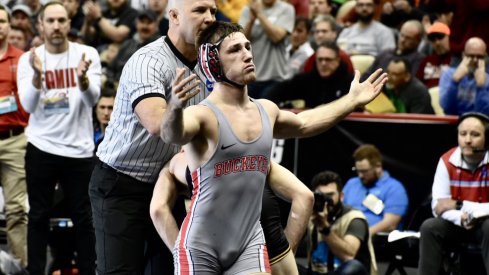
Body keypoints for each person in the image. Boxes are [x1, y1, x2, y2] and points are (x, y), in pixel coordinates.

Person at [159, 20, 386, 274]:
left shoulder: (266, 110)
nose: (247, 54)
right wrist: (175, 109)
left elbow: (305, 123)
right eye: (234, 50)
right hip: (200, 247)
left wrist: (351, 100)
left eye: (247, 46)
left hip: (248, 243)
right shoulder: (202, 116)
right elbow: (172, 134)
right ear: (213, 63)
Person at [89, 0, 215, 274]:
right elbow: (158, 125)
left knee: (174, 269)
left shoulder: (209, 66)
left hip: (166, 185)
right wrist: (177, 105)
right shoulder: (147, 61)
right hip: (120, 183)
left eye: (213, 11)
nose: (209, 18)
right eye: (200, 10)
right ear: (174, 16)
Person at [16, 2, 101, 274]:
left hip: (79, 150)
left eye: (61, 20)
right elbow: (28, 106)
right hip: (42, 146)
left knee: (84, 219)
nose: (56, 26)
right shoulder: (29, 59)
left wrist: (83, 79)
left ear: (69, 22)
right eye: (50, 21)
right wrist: (39, 75)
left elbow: (93, 99)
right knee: (38, 216)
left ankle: (88, 270)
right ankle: (36, 271)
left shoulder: (86, 54)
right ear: (40, 25)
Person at [150, 151, 314, 275]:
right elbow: (305, 197)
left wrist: (187, 257)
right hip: (272, 247)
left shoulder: (176, 163)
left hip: (222, 252)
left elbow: (158, 210)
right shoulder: (253, 153)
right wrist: (287, 250)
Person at [418, 112, 489, 275]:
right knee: (430, 226)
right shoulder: (447, 161)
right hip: (459, 223)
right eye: (463, 134)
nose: (468, 140)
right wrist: (460, 217)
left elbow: (448, 204)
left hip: (486, 225)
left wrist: (460, 204)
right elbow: (438, 206)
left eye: (475, 135)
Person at [0, 5, 28, 267]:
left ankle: (18, 267)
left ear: (9, 25)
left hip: (14, 139)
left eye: (2, 21)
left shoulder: (23, 59)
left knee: (17, 209)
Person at [307, 171, 377, 275]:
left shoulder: (355, 218)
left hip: (346, 273)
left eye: (330, 195)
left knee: (354, 267)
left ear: (341, 196)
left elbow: (348, 255)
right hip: (317, 272)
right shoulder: (311, 216)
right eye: (321, 196)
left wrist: (324, 228)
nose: (326, 200)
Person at [343, 144, 409, 236]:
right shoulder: (351, 184)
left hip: (375, 240)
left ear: (378, 166)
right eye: (357, 171)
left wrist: (362, 236)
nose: (360, 175)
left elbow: (390, 224)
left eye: (364, 171)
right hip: (345, 234)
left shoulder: (394, 188)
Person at [266, 41, 353, 108]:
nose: (323, 63)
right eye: (320, 59)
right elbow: (279, 91)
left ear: (337, 60)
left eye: (328, 59)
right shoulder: (306, 80)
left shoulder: (351, 83)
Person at [239, 0, 295, 98]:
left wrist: (260, 14)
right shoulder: (248, 9)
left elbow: (277, 37)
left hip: (276, 78)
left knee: (267, 110)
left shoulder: (286, 9)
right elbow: (240, 40)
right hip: (250, 77)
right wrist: (251, 21)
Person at [439, 37, 489, 115]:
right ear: (463, 55)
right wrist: (454, 82)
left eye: (479, 57)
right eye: (471, 56)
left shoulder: (487, 80)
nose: (475, 60)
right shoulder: (448, 74)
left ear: (485, 58)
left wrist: (481, 87)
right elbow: (446, 107)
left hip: (479, 123)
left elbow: (485, 113)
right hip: (453, 122)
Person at [415, 22, 452, 89]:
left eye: (440, 37)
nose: (437, 43)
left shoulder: (456, 59)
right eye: (433, 40)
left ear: (449, 37)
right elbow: (417, 84)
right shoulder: (426, 60)